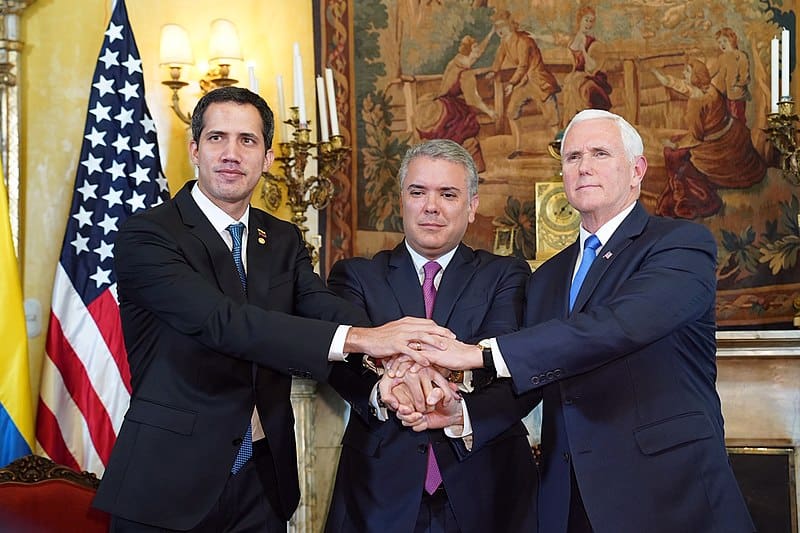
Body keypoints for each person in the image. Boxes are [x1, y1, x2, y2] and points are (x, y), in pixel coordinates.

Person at [92, 87, 454, 532]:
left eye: (247, 141)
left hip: (262, 483)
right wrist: (366, 339)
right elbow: (223, 322)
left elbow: (319, 306)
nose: (231, 153)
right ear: (194, 150)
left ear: (266, 158)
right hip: (169, 486)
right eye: (217, 138)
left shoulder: (280, 238)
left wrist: (397, 359)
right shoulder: (148, 235)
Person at [408, 110, 755, 532]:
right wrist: (462, 413)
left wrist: (479, 353)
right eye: (572, 157)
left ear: (636, 170)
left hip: (669, 493)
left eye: (600, 153)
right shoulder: (548, 276)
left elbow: (619, 326)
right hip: (571, 498)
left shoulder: (680, 245)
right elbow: (533, 375)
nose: (584, 166)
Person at [324, 139, 540, 533]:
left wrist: (443, 397)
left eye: (448, 194)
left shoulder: (506, 275)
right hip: (377, 493)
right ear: (401, 201)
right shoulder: (356, 276)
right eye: (418, 191)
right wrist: (386, 388)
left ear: (472, 206)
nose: (431, 206)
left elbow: (511, 362)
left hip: (489, 488)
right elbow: (343, 362)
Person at [652, 58, 765, 219]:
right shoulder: (709, 89)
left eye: (687, 71)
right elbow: (688, 88)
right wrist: (667, 80)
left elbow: (696, 137)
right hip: (734, 135)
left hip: (717, 149)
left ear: (696, 77)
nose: (683, 73)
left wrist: (674, 145)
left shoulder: (696, 103)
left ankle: (692, 197)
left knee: (673, 155)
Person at [487, 10, 561, 158]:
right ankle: (518, 147)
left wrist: (512, 83)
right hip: (525, 82)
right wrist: (494, 71)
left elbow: (523, 66)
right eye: (497, 27)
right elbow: (499, 58)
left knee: (552, 117)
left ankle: (561, 148)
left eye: (502, 26)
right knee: (511, 113)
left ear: (510, 25)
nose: (500, 30)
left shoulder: (523, 41)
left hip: (539, 81)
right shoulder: (505, 42)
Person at [417, 33, 495, 173]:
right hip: (450, 111)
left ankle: (459, 171)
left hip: (440, 106)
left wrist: (490, 33)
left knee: (458, 138)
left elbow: (480, 49)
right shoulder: (466, 74)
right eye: (475, 53)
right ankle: (473, 171)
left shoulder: (454, 62)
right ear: (470, 52)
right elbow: (473, 99)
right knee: (467, 128)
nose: (477, 56)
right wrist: (489, 111)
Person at [560, 5, 612, 125]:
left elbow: (591, 67)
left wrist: (583, 49)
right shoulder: (572, 41)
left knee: (575, 83)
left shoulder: (593, 44)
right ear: (580, 20)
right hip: (576, 77)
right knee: (569, 82)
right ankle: (569, 122)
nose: (588, 24)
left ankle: (579, 118)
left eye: (591, 21)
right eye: (586, 20)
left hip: (593, 77)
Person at [709, 27, 750, 123]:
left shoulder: (740, 56)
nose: (722, 44)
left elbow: (745, 77)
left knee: (737, 118)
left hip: (736, 95)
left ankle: (741, 136)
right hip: (723, 94)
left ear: (732, 40)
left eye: (724, 41)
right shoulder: (721, 58)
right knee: (725, 119)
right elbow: (711, 72)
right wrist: (701, 76)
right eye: (719, 42)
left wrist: (737, 86)